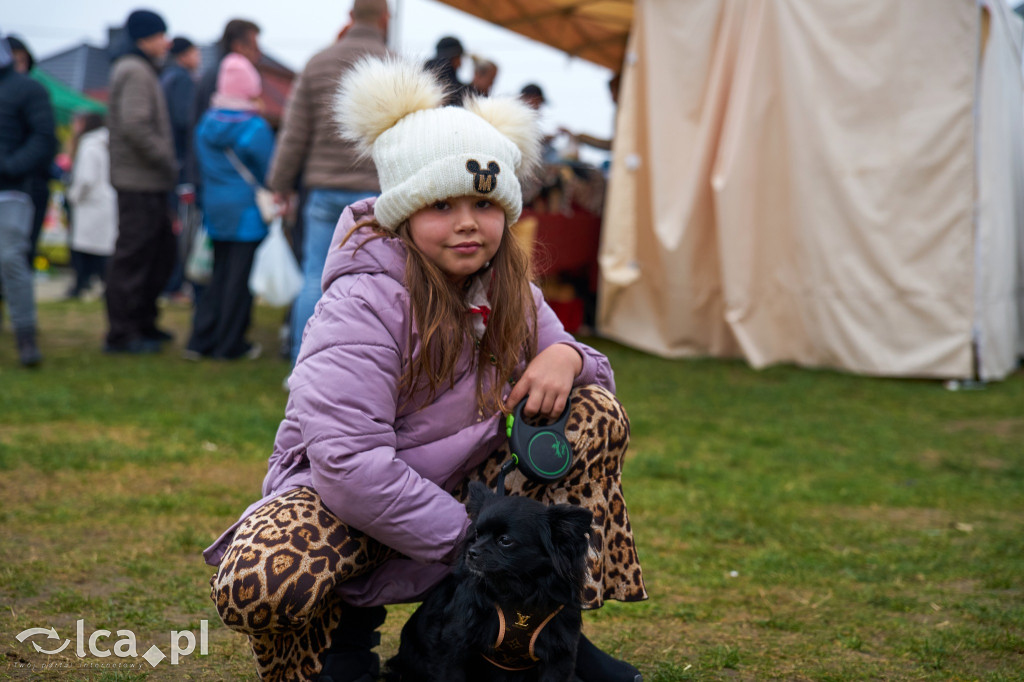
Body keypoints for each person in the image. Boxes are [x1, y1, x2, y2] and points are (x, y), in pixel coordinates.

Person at [204, 56, 647, 682]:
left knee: (593, 413)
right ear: (404, 212)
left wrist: (566, 354)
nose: (468, 221)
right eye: (441, 202)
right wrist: (475, 543)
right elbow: (350, 465)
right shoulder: (360, 302)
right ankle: (340, 637)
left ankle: (540, 629)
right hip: (349, 504)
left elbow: (587, 368)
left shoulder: (508, 283)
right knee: (263, 575)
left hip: (467, 495)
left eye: (485, 203)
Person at [266, 0, 389, 371]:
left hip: (322, 190)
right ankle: (362, 369)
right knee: (375, 284)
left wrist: (280, 184)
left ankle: (302, 367)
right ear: (385, 18)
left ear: (350, 17)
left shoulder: (318, 62)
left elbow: (294, 133)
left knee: (314, 278)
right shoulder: (395, 65)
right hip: (377, 193)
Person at [184, 54, 274, 361]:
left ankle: (200, 339)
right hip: (247, 212)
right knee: (239, 279)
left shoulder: (206, 124)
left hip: (215, 209)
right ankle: (229, 344)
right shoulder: (256, 128)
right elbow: (268, 172)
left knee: (216, 275)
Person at [104, 9, 177, 354]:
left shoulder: (138, 68)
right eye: (162, 35)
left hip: (146, 180)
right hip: (138, 181)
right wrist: (166, 157)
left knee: (158, 254)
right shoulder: (134, 70)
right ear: (144, 38)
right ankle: (122, 334)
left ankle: (143, 323)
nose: (167, 42)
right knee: (133, 257)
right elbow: (135, 125)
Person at [0, 32, 55, 366]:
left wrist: (11, 166)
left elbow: (44, 137)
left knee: (10, 258)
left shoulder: (28, 89)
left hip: (12, 190)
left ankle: (26, 337)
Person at [5, 34, 52, 268]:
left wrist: (12, 165)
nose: (19, 67)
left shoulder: (34, 92)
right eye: (15, 61)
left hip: (28, 184)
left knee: (18, 254)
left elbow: (44, 137)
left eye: (23, 61)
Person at [161, 36, 201, 300]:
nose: (198, 58)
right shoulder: (182, 80)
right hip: (182, 167)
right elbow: (186, 122)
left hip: (168, 164)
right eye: (195, 52)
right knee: (183, 229)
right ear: (184, 54)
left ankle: (171, 282)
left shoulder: (165, 77)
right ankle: (175, 284)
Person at [65, 112, 117, 299]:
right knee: (102, 250)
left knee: (85, 250)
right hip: (106, 202)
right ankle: (103, 286)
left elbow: (86, 178)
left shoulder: (89, 145)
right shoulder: (107, 142)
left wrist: (73, 196)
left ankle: (81, 285)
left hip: (90, 203)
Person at [193, 19, 261, 128]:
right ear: (238, 46)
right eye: (254, 47)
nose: (259, 52)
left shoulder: (215, 72)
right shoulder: (221, 77)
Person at [424, 35, 468, 105]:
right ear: (453, 58)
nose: (460, 64)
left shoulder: (423, 81)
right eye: (459, 58)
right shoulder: (458, 90)